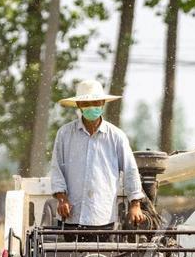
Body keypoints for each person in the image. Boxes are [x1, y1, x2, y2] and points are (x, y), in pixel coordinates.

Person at [49, 79, 145, 241]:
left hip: (103, 215)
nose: (91, 106)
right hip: (72, 215)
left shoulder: (116, 136)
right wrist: (62, 198)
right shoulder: (65, 134)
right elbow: (57, 168)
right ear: (79, 106)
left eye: (95, 102)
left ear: (102, 103)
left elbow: (130, 170)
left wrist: (135, 205)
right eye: (86, 103)